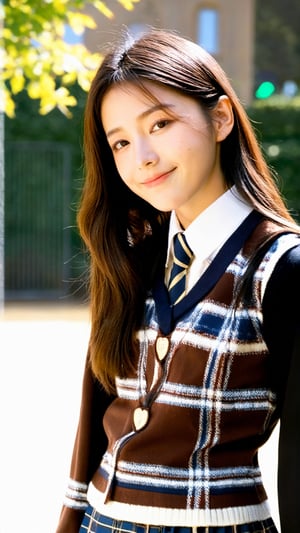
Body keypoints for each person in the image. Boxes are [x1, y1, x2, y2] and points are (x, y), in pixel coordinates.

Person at [55, 28, 300, 533]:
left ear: (221, 118)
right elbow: (97, 411)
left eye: (160, 123)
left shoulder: (280, 266)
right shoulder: (132, 256)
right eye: (120, 141)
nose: (140, 156)